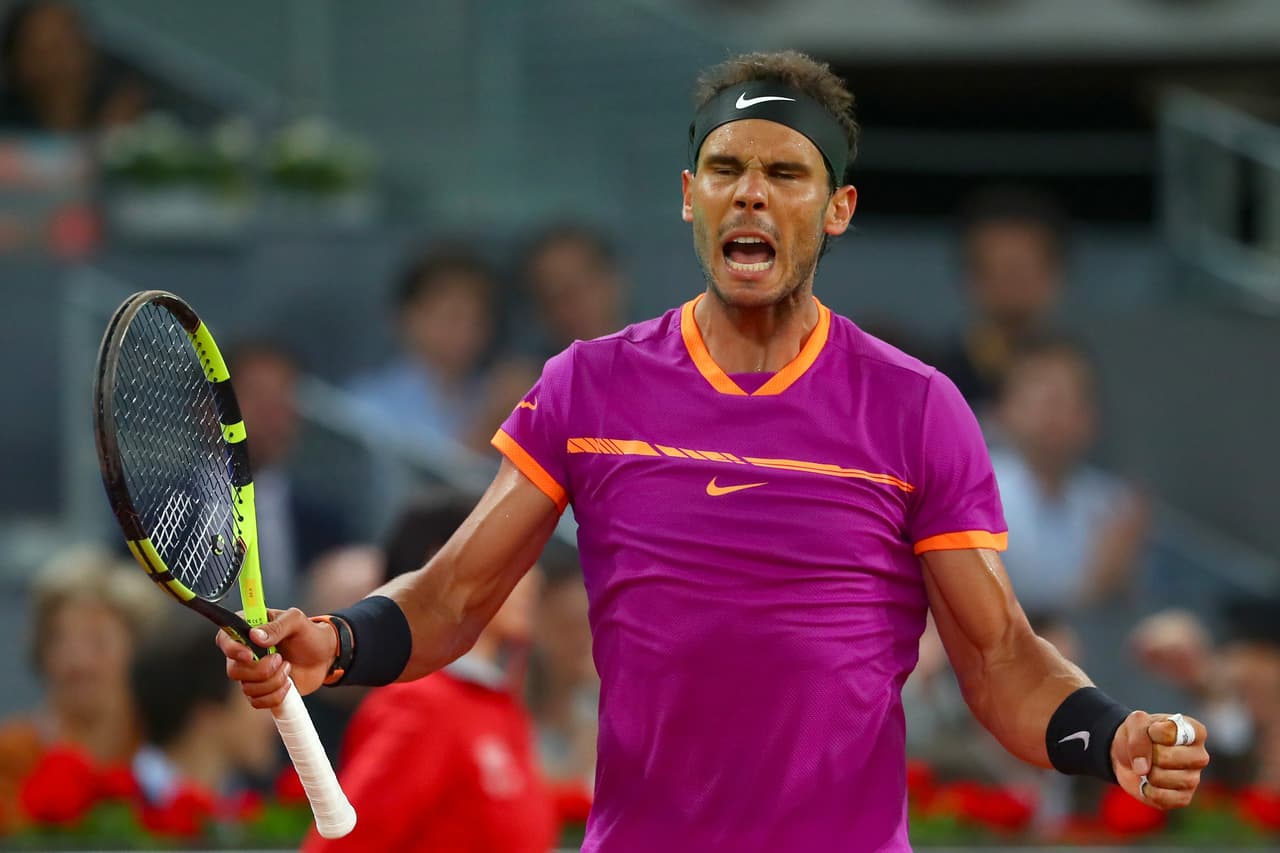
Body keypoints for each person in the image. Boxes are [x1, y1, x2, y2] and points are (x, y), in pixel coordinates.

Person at [219, 51, 1209, 852]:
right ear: (688, 197)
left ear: (835, 210)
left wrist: (1105, 734)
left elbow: (997, 661)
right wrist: (338, 642)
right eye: (726, 171)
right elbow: (451, 598)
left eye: (784, 173)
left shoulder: (915, 408)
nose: (750, 197)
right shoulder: (586, 383)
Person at [300, 492, 557, 852]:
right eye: (513, 550)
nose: (534, 575)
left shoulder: (499, 708)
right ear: (446, 566)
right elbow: (345, 845)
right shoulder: (421, 703)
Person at [0, 548, 159, 831]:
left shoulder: (163, 750)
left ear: (137, 650)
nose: (77, 661)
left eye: (98, 641)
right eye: (59, 640)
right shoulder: (11, 754)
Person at [990, 337, 1148, 616]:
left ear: (1088, 418)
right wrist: (1095, 585)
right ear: (1004, 410)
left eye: (1064, 399)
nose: (1051, 414)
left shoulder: (1113, 504)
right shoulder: (972, 492)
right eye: (1039, 398)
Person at [227, 342, 350, 605]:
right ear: (207, 407)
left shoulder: (327, 524)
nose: (271, 413)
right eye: (255, 395)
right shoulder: (163, 510)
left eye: (284, 397)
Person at [935, 185, 1069, 415]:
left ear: (1055, 276)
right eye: (1001, 270)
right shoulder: (938, 383)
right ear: (970, 278)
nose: (1013, 285)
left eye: (1023, 270)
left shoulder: (1074, 384)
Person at [130, 611, 278, 809]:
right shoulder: (118, 805)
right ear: (208, 711)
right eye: (257, 693)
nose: (273, 720)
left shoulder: (244, 806)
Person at [0, 0, 146, 132]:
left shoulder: (131, 112)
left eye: (71, 43)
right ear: (16, 62)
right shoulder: (8, 127)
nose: (63, 61)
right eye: (46, 51)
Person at [518, 223, 627, 360]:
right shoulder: (531, 377)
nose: (577, 301)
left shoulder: (658, 366)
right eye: (557, 295)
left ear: (615, 281)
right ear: (541, 315)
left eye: (586, 282)